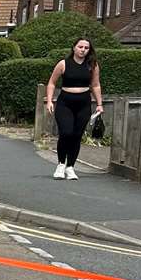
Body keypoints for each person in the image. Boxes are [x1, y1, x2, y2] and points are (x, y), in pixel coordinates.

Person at [44, 38, 103, 180]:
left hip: (83, 103)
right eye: (80, 46)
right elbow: (52, 82)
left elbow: (95, 85)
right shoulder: (63, 64)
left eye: (86, 48)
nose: (83, 50)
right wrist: (50, 100)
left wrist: (99, 104)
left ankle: (70, 167)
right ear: (74, 48)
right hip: (65, 103)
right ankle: (60, 164)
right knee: (66, 132)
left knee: (77, 135)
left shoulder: (92, 65)